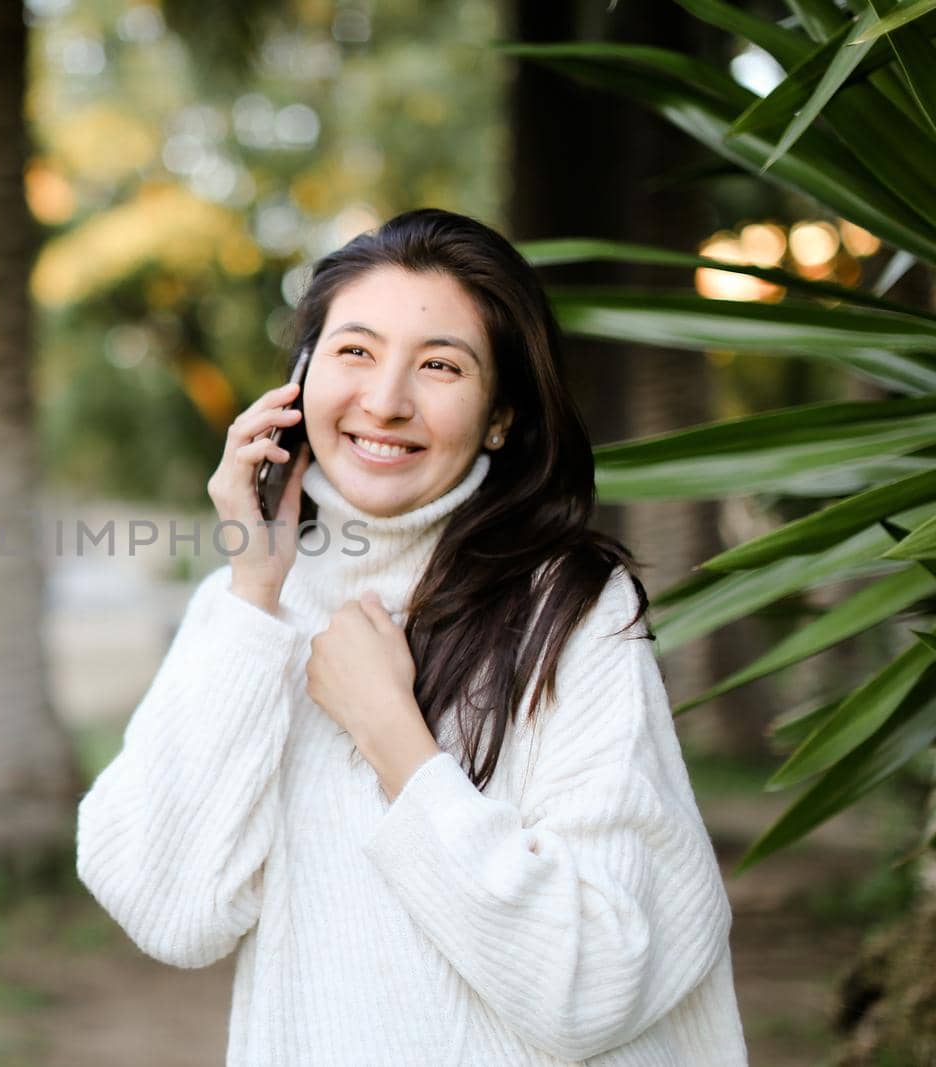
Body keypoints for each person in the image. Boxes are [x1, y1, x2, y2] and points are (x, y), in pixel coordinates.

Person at [76, 208, 749, 1065]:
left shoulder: (571, 607)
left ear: (500, 416)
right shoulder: (245, 608)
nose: (386, 401)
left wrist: (394, 736)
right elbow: (167, 906)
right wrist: (255, 593)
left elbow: (594, 982)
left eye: (440, 365)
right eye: (355, 351)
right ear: (298, 379)